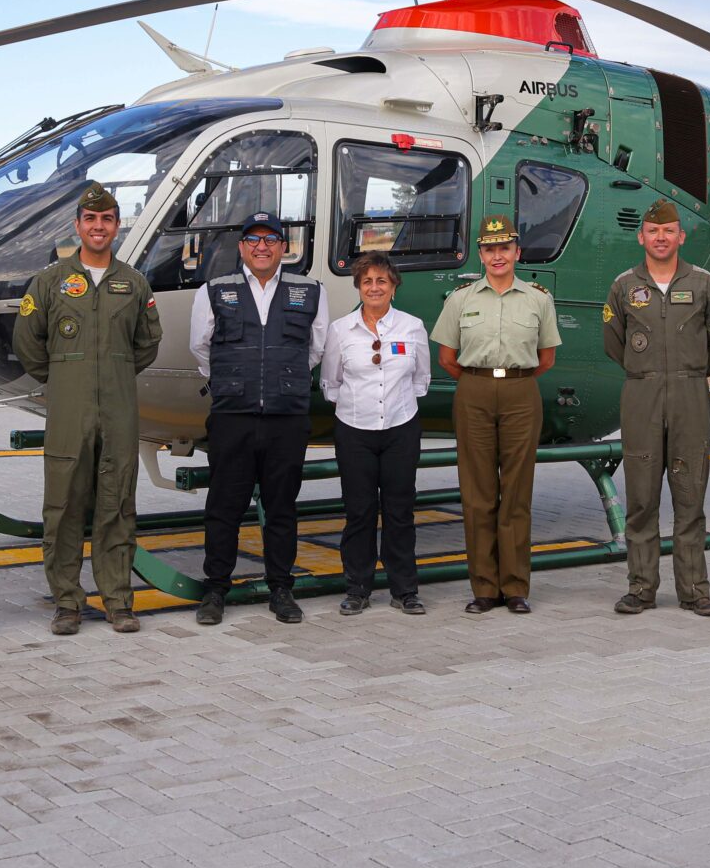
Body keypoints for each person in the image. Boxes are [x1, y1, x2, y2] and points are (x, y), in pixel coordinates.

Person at [12, 183, 163, 635]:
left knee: (117, 504)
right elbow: (27, 342)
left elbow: (147, 343)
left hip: (118, 410)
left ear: (117, 226)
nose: (99, 227)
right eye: (91, 220)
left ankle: (118, 600)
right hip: (68, 410)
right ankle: (67, 602)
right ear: (77, 225)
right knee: (63, 506)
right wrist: (63, 378)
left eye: (108, 220)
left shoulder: (133, 283)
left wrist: (110, 373)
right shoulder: (50, 281)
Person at [187, 211, 330, 626]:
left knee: (282, 506)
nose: (262, 247)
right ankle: (216, 589)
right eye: (253, 240)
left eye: (271, 240)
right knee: (223, 506)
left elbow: (316, 351)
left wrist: (280, 380)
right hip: (233, 416)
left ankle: (281, 588)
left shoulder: (311, 291)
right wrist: (237, 381)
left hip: (287, 418)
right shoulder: (214, 291)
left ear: (285, 248)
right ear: (242, 248)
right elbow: (201, 348)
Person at [602, 199, 710, 616]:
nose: (661, 238)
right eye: (653, 231)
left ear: (682, 236)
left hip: (690, 396)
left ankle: (694, 588)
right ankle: (641, 588)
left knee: (690, 494)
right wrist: (649, 373)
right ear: (641, 236)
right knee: (641, 498)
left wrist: (688, 372)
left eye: (669, 231)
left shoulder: (703, 283)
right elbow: (614, 342)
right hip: (640, 395)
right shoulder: (623, 286)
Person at [433, 214, 560, 614]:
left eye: (505, 248)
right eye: (490, 248)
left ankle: (516, 587)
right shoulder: (462, 299)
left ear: (517, 252)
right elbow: (448, 358)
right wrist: (482, 380)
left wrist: (511, 378)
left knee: (517, 493)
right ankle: (484, 588)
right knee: (478, 493)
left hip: (522, 391)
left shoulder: (539, 298)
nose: (498, 255)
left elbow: (546, 358)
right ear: (482, 254)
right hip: (473, 390)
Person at [320, 250, 432, 615]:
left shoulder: (412, 327)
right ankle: (358, 588)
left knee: (400, 510)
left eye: (381, 280)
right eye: (367, 281)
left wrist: (393, 409)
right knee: (359, 511)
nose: (374, 287)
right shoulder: (340, 330)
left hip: (400, 428)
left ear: (394, 287)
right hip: (355, 431)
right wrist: (360, 408)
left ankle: (404, 590)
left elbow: (421, 380)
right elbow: (331, 383)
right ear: (358, 287)